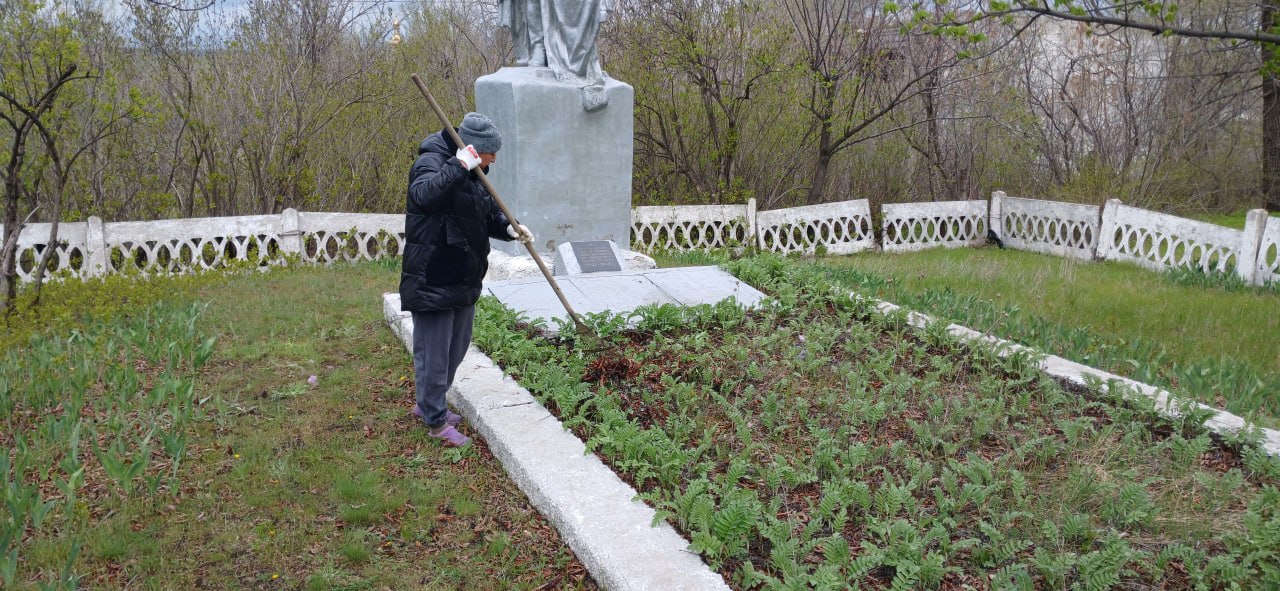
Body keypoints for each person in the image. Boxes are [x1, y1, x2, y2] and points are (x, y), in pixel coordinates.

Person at [400, 112, 533, 447]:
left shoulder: (475, 173)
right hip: (435, 274)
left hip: (463, 274)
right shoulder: (432, 162)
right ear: (475, 149)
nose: (495, 159)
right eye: (491, 152)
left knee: (456, 348)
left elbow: (487, 213)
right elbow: (424, 197)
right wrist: (457, 167)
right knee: (434, 353)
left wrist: (509, 227)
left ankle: (429, 403)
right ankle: (435, 421)